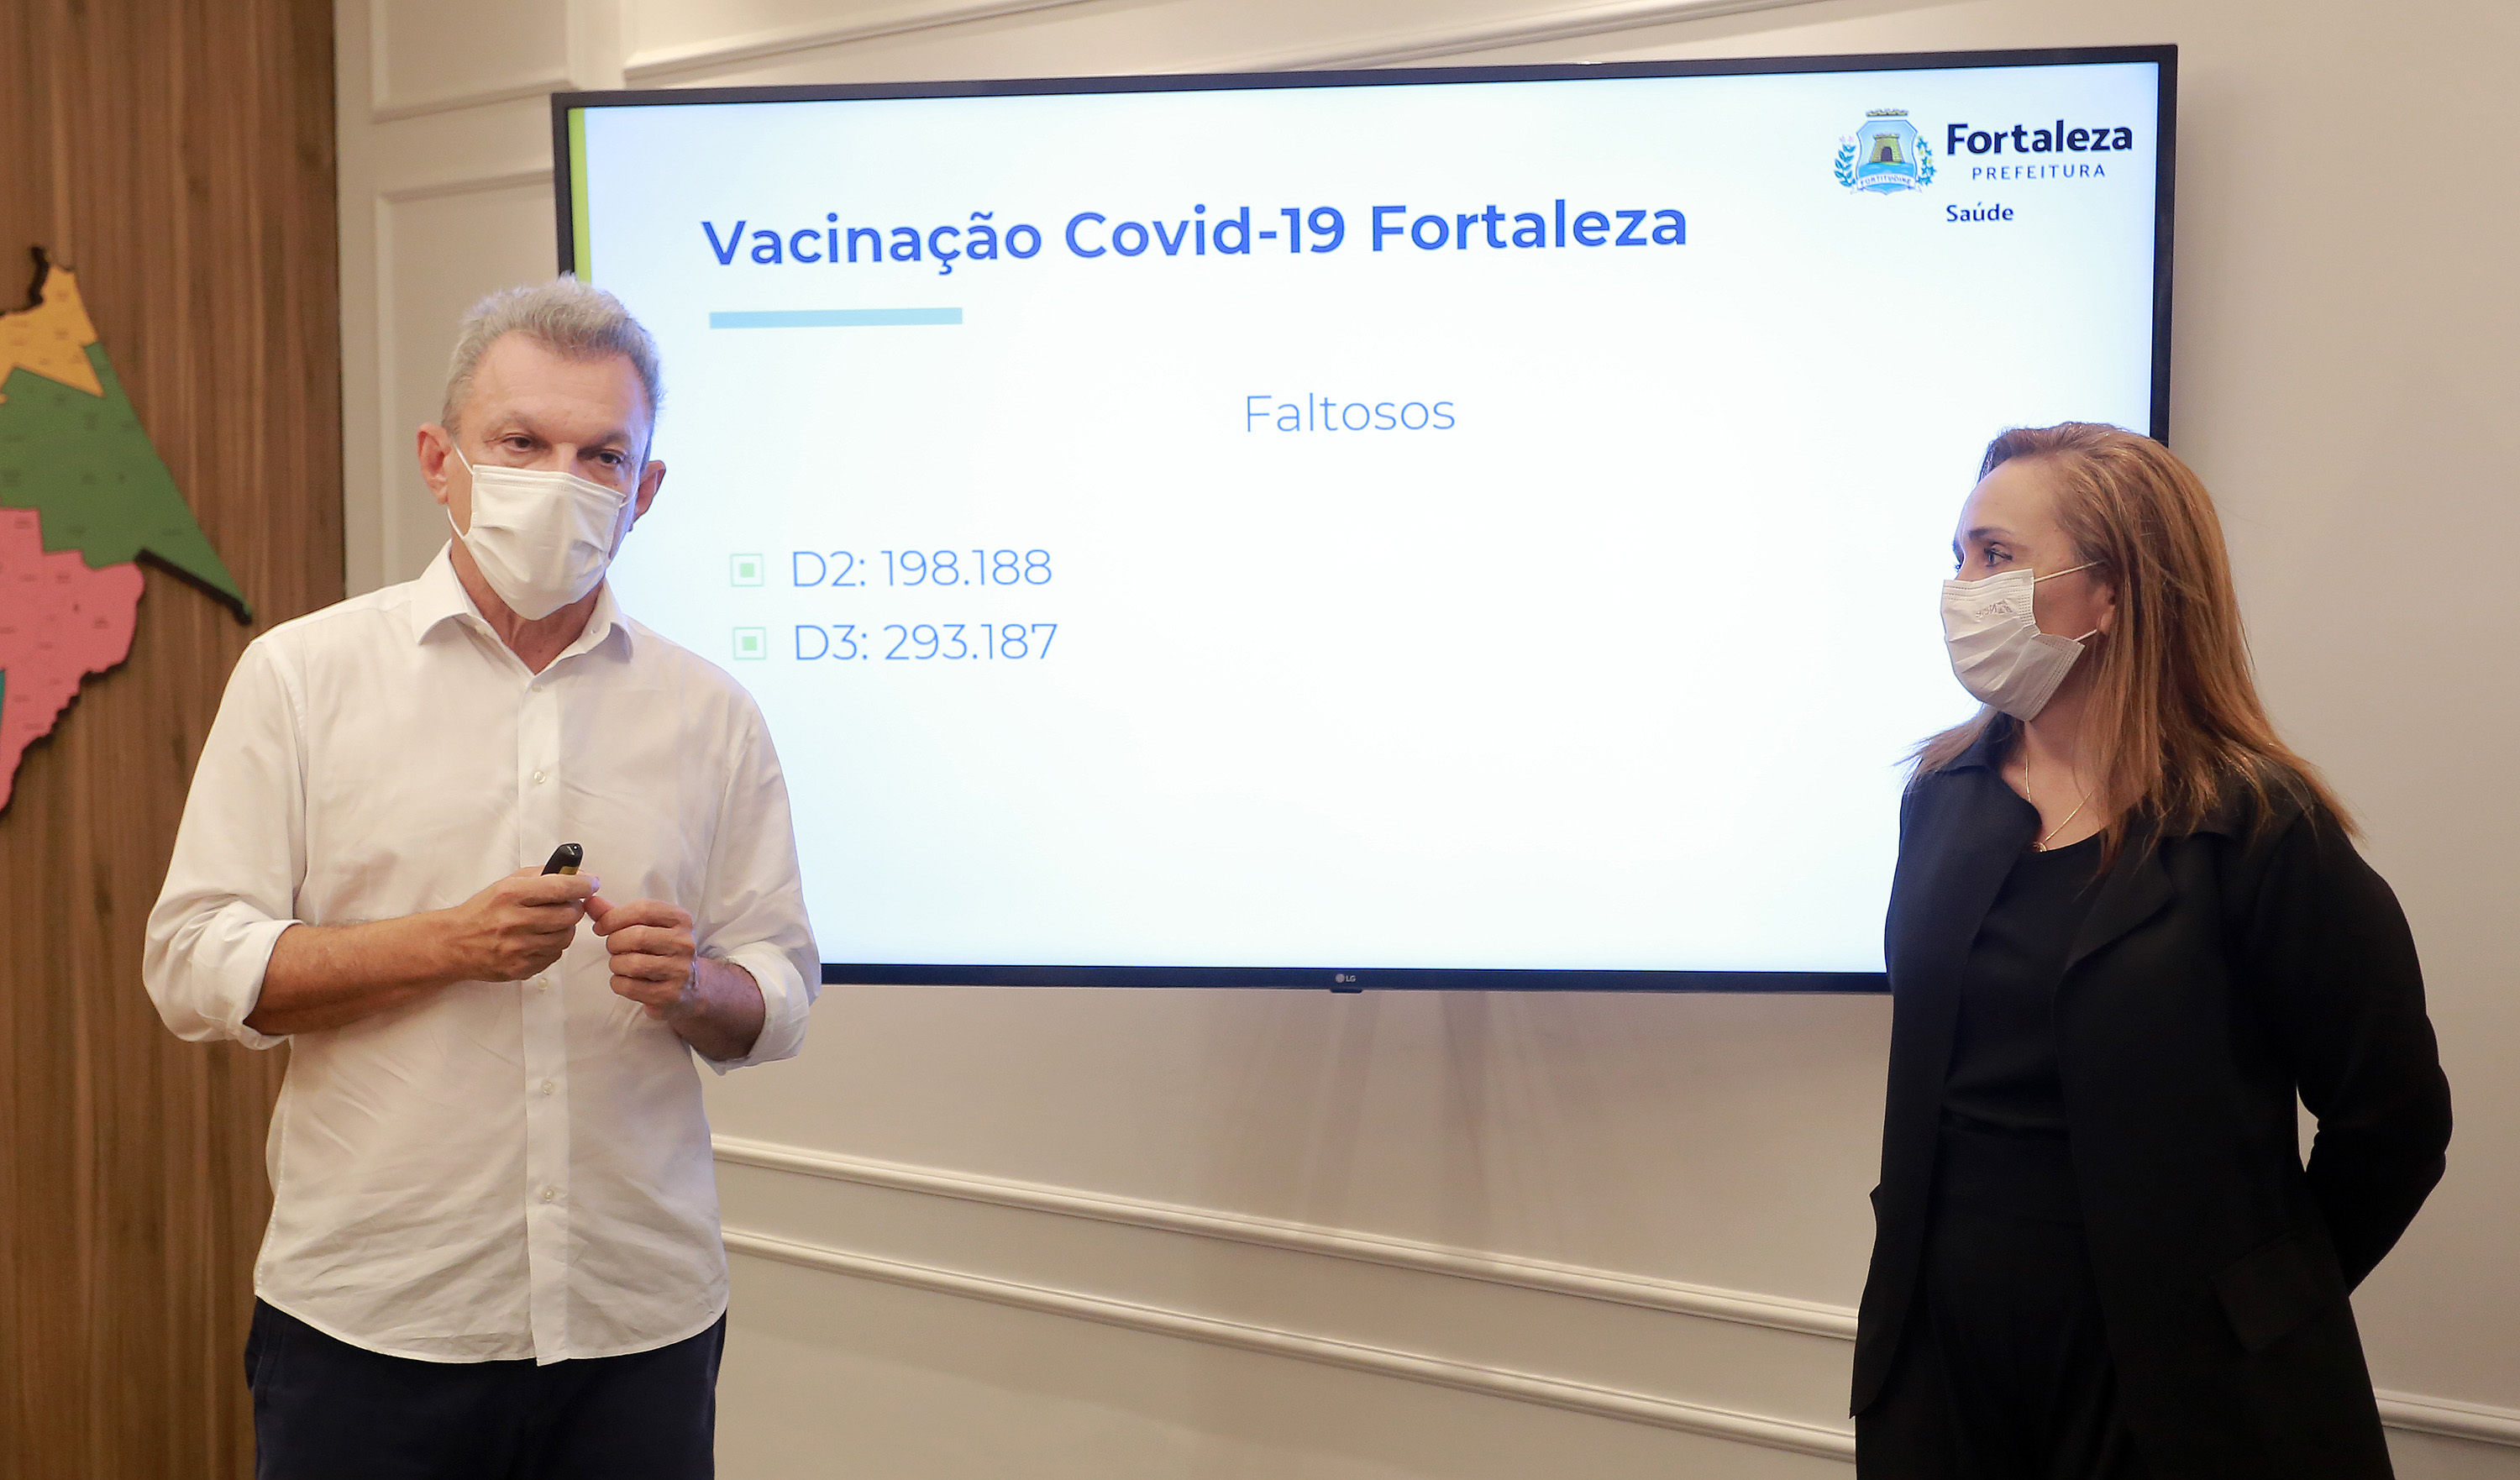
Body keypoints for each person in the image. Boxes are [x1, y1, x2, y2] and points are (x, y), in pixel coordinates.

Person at [144, 278, 816, 1479]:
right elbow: (192, 963)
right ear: (438, 462)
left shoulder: (712, 712)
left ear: (645, 489)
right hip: (375, 1320)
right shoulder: (301, 677)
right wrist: (446, 943)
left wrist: (695, 985)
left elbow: (781, 988)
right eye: (521, 442)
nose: (564, 478)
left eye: (603, 453)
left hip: (637, 1320)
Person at [1853, 423, 2451, 1478]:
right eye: (1959, 556)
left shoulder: (2258, 827)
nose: (1962, 588)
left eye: (1997, 555)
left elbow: (2393, 1120)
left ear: (2115, 591)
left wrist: (2258, 1309)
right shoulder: (1942, 796)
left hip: (2181, 1392)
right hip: (1944, 1358)